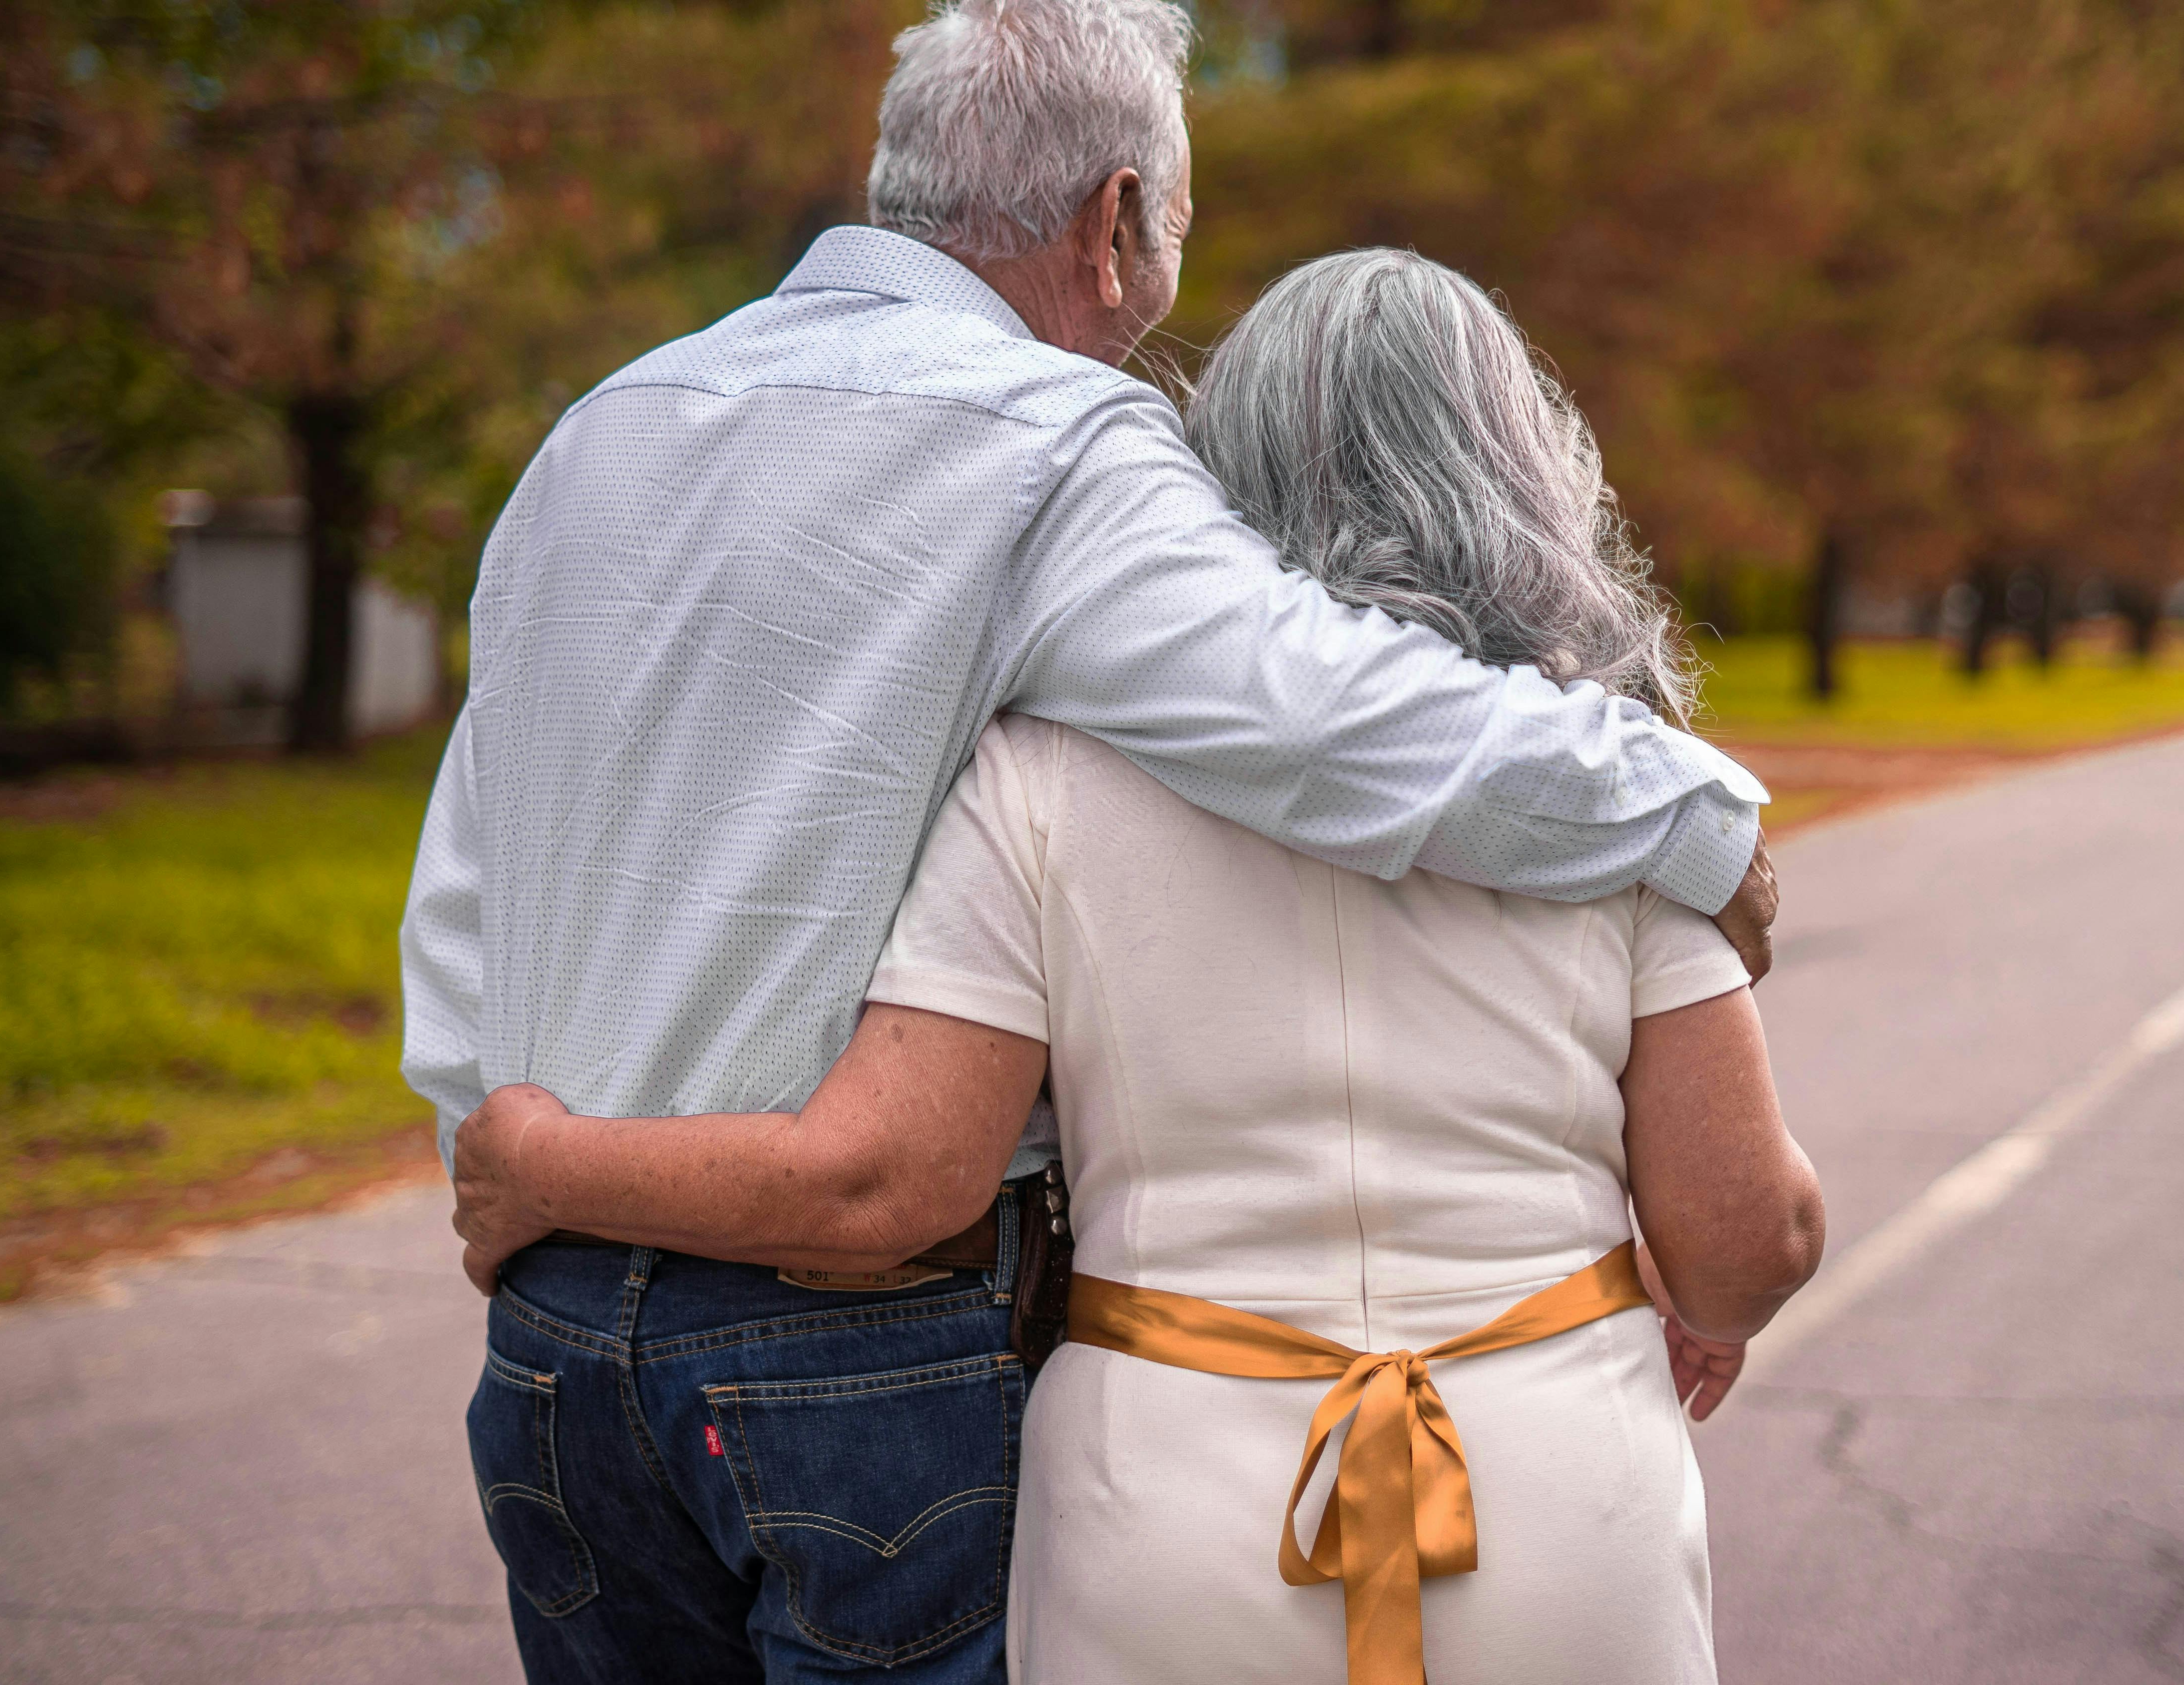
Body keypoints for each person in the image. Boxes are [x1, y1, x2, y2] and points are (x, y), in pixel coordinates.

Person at [398, 2, 1778, 1681]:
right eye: (1176, 236)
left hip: (550, 1345)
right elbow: (1336, 721)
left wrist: (509, 1163)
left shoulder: (596, 430)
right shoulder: (1058, 444)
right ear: (1115, 219)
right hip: (853, 1355)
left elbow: (474, 876)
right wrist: (1697, 816)